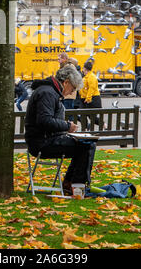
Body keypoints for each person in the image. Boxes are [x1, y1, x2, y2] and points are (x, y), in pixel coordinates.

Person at [24, 65, 97, 195]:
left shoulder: (49, 91)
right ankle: (75, 186)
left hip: (45, 139)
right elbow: (45, 120)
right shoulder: (47, 93)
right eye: (72, 88)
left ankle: (71, 183)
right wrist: (67, 126)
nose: (71, 92)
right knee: (86, 146)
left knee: (86, 144)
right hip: (41, 142)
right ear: (66, 82)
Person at [79, 61, 104, 128]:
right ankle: (85, 129)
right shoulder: (85, 77)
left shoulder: (91, 77)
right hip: (84, 99)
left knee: (92, 117)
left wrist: (88, 98)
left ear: (84, 68)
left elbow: (91, 89)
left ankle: (104, 125)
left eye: (83, 68)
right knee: (83, 116)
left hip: (92, 99)